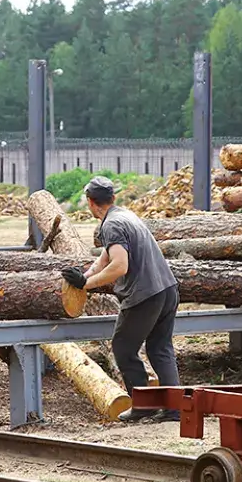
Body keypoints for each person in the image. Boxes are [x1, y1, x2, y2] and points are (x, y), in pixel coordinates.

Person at [62, 176, 181, 423]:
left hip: (145, 295)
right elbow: (105, 258)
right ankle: (174, 410)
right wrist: (83, 277)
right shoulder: (124, 216)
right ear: (112, 198)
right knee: (160, 348)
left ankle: (143, 406)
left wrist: (86, 285)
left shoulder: (111, 225)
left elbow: (119, 266)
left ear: (90, 203)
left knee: (124, 348)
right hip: (167, 289)